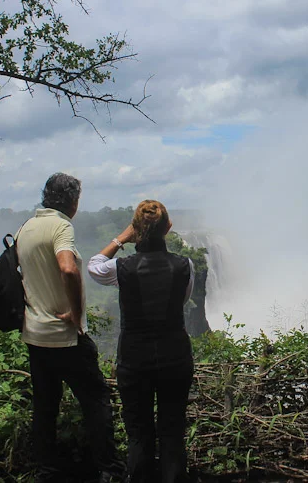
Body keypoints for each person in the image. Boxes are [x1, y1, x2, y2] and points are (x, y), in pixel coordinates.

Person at [18, 173, 124, 482]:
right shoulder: (61, 226)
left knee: (45, 406)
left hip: (35, 336)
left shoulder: (26, 227)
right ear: (73, 202)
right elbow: (67, 267)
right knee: (96, 401)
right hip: (64, 337)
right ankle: (109, 469)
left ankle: (47, 471)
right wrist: (75, 314)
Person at [88, 200, 195, 483]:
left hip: (134, 361)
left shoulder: (122, 268)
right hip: (175, 358)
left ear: (136, 230)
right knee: (172, 432)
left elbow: (93, 267)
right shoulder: (185, 266)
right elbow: (181, 301)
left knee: (139, 434)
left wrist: (120, 238)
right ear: (168, 228)